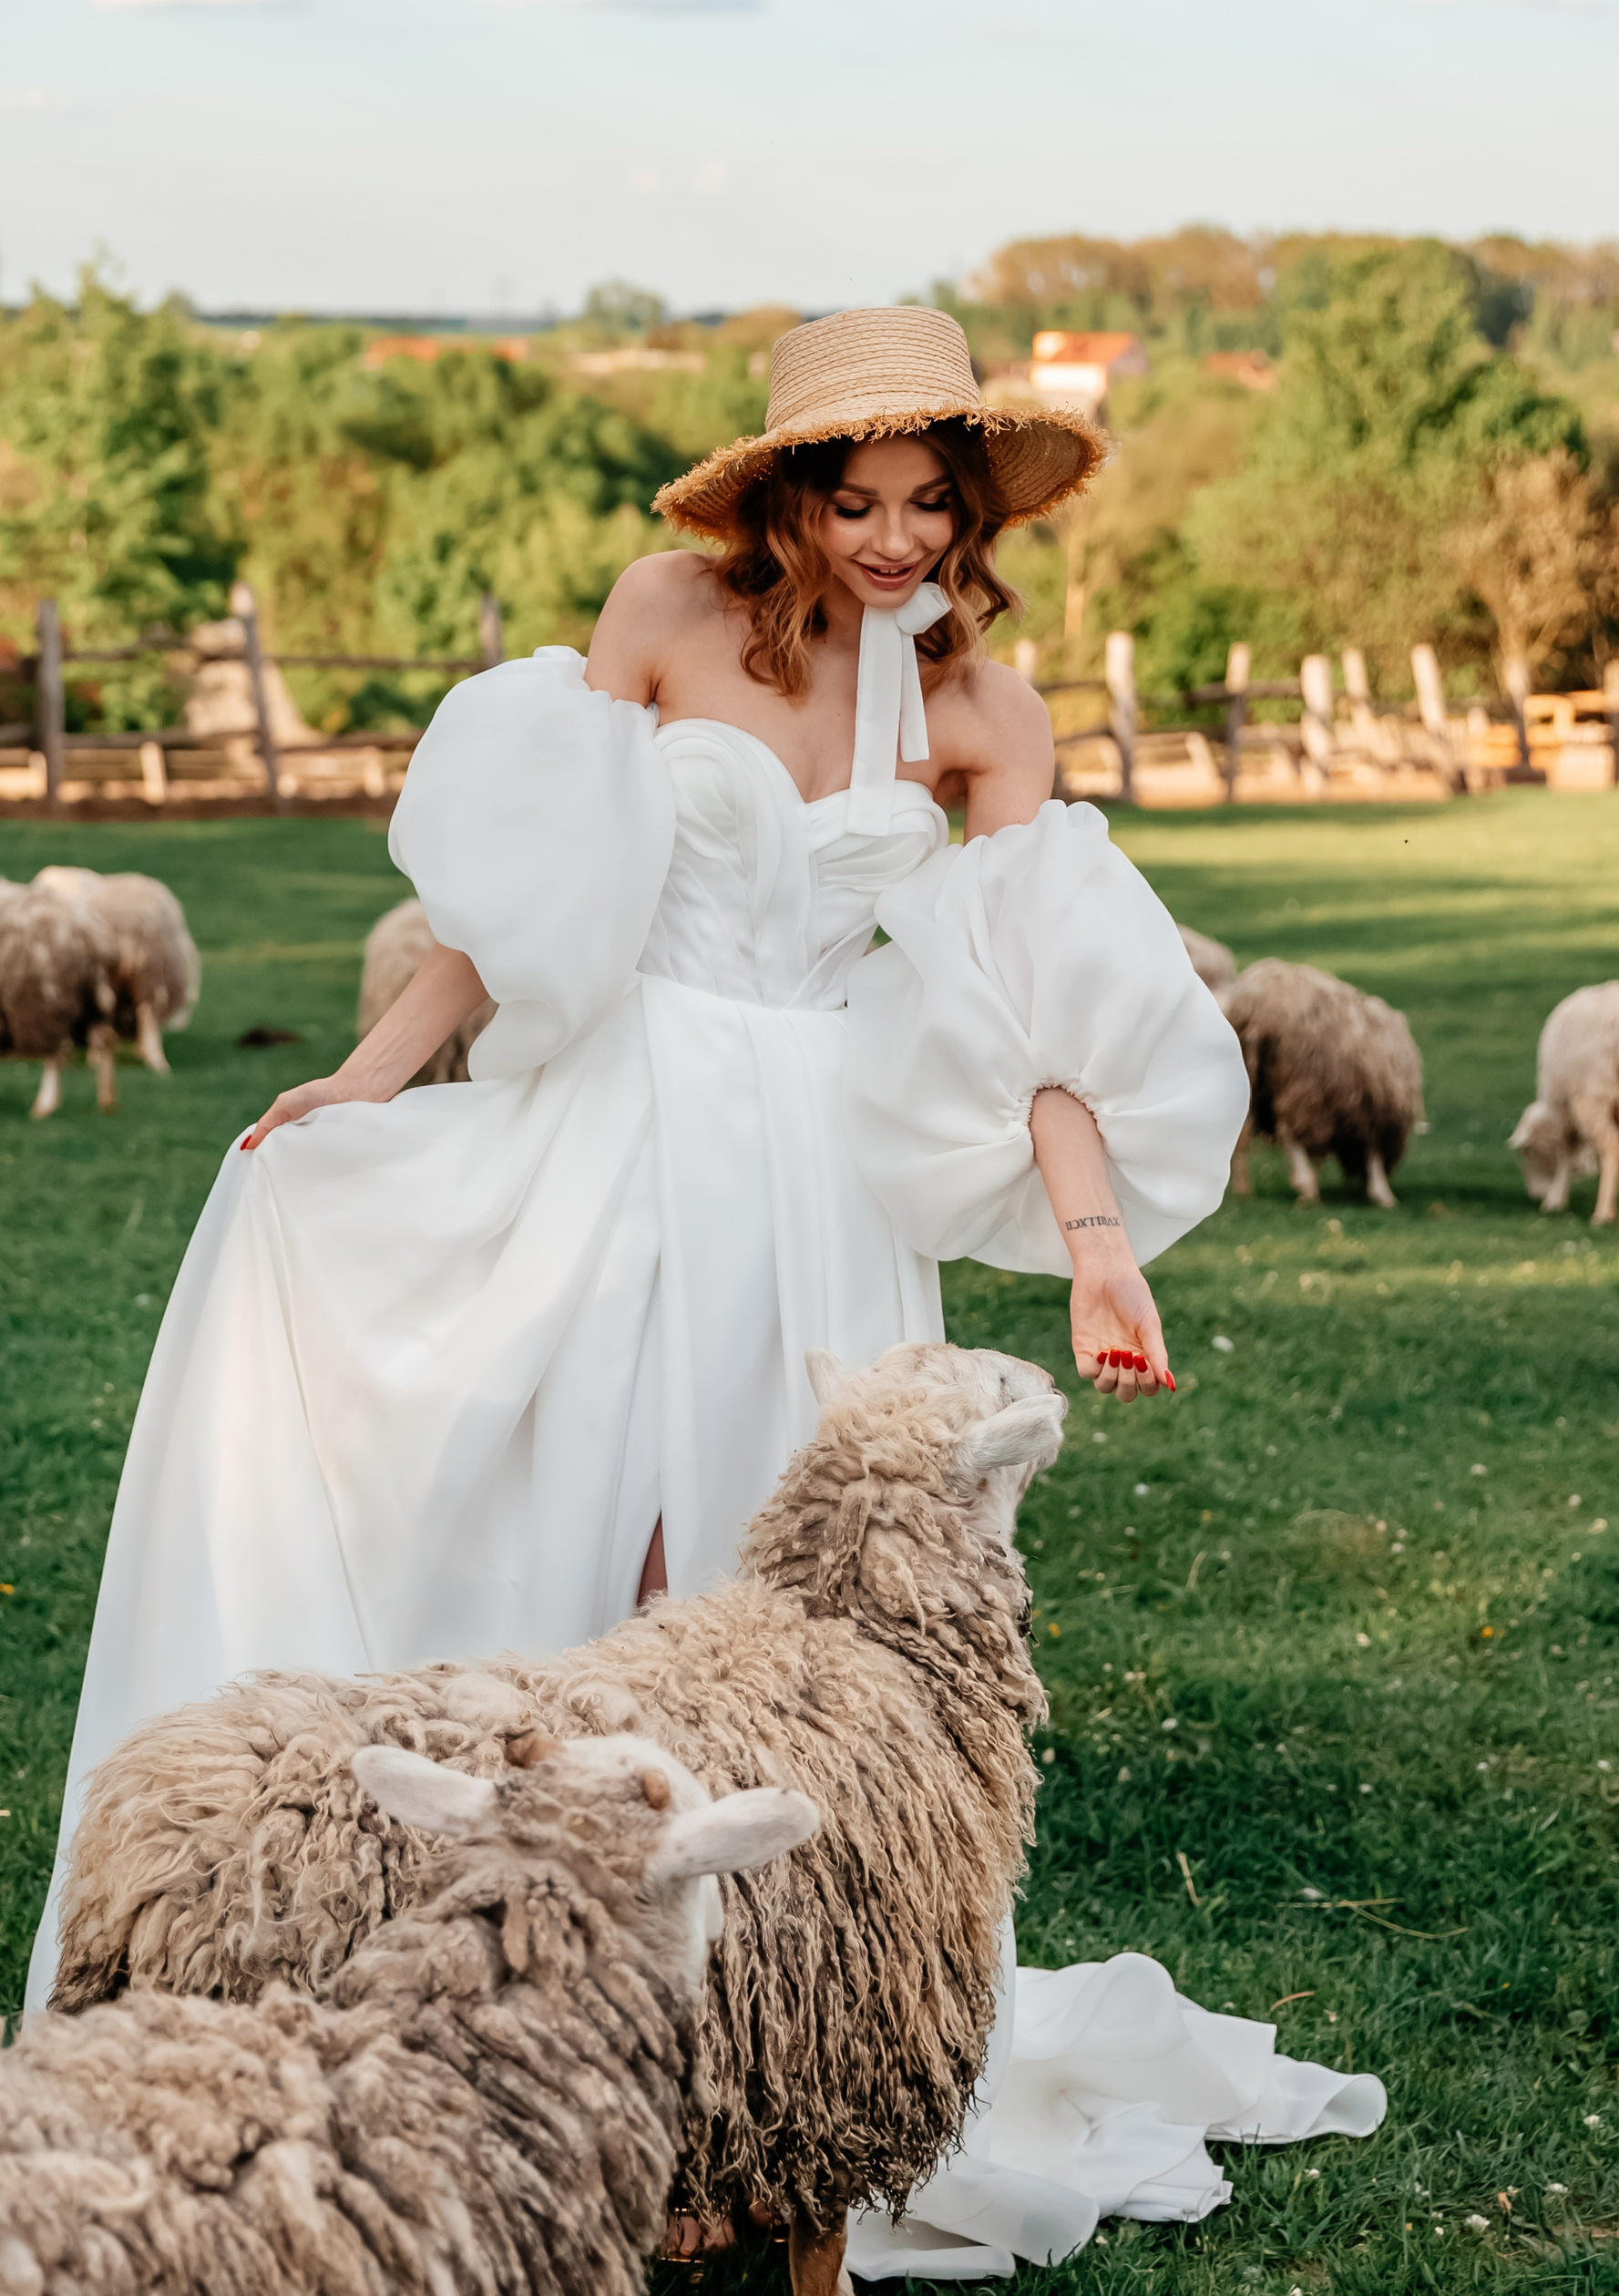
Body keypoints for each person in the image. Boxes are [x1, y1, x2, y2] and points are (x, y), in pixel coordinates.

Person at [26, 307, 1382, 2269]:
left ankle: (787, 2065)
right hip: (622, 1129)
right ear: (787, 498)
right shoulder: (662, 616)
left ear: (976, 513)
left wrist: (1097, 1246)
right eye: (860, 500)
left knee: (789, 1629)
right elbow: (527, 909)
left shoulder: (988, 713)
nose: (899, 539)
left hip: (828, 1174)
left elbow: (1039, 1015)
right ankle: (539, 2008)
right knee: (594, 1553)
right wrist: (370, 1079)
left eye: (934, 503)